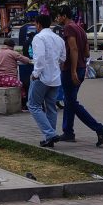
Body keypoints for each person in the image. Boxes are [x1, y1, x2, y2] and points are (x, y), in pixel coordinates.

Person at [54, 5, 103, 146]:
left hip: (71, 70)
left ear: (64, 16)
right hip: (80, 67)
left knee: (72, 102)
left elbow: (73, 49)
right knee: (69, 101)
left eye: (58, 16)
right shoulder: (80, 28)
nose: (57, 19)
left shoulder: (68, 28)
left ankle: (100, 129)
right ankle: (68, 131)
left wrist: (73, 70)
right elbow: (86, 52)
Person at [27, 14, 65, 147]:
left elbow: (40, 58)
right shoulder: (58, 38)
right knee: (51, 107)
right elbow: (63, 58)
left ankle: (50, 134)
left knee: (33, 105)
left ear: (38, 24)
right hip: (55, 77)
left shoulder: (39, 37)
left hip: (42, 77)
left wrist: (35, 74)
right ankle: (50, 137)